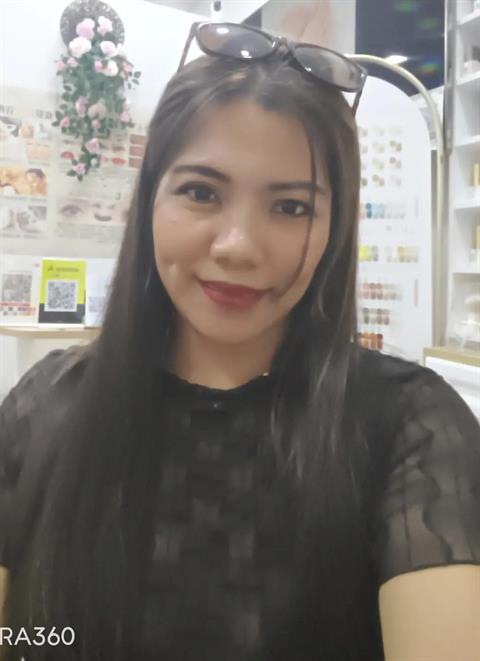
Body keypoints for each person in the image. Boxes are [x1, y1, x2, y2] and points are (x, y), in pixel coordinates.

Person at [0, 21, 479, 661]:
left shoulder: (409, 428)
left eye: (291, 207)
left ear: (335, 228)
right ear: (149, 201)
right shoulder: (45, 406)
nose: (237, 246)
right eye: (201, 192)